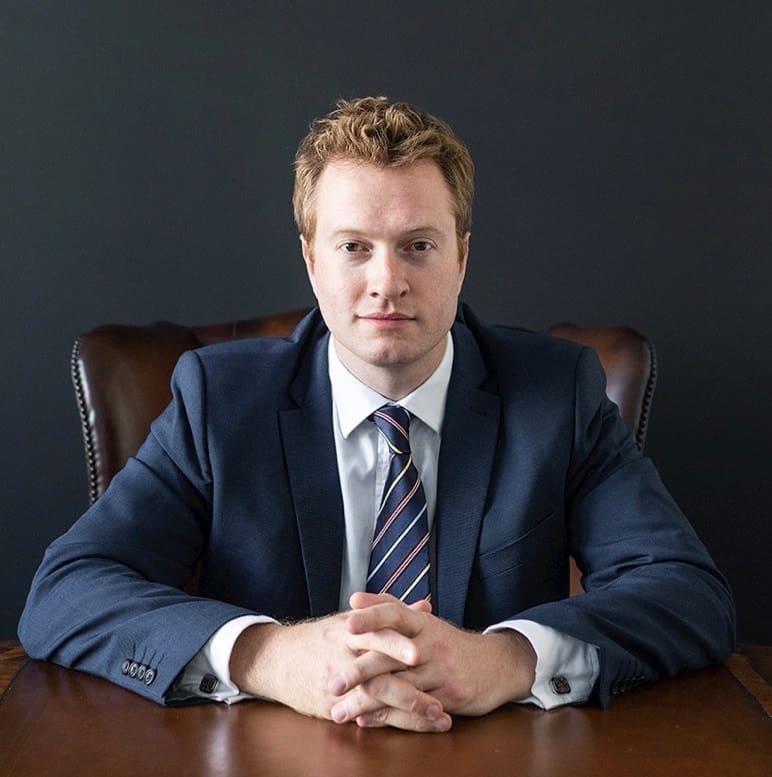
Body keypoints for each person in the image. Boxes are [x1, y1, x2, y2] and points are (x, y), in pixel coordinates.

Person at [19, 96, 734, 733]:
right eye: (354, 247)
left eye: (418, 246)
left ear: (461, 258)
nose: (386, 282)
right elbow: (67, 590)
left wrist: (507, 659)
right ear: (311, 262)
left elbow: (688, 593)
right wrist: (269, 654)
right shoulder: (219, 400)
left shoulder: (557, 393)